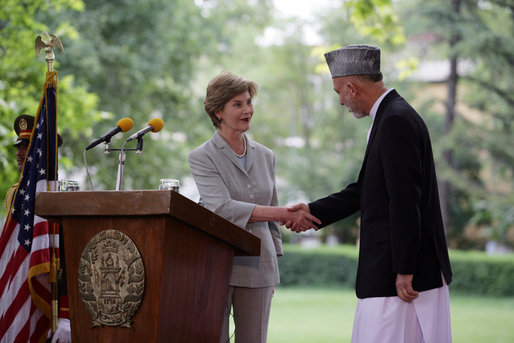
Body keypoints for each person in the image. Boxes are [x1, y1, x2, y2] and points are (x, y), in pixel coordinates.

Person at [287, 45, 453, 343]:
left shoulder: (395, 121)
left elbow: (405, 201)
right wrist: (312, 211)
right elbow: (367, 190)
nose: (340, 101)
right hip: (391, 271)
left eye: (339, 91)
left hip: (398, 278)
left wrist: (404, 269)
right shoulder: (391, 116)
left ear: (352, 87)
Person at [189, 72, 320, 343]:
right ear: (218, 112)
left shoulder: (267, 155)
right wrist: (283, 213)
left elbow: (270, 210)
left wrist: (273, 267)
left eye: (249, 102)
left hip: (259, 265)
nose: (248, 110)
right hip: (216, 264)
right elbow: (221, 207)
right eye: (237, 104)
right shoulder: (202, 157)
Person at [4, 114, 70, 343]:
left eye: (27, 146)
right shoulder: (16, 195)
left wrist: (66, 315)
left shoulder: (58, 197)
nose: (19, 152)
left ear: (42, 155)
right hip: (20, 301)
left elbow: (68, 256)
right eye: (19, 146)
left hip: (52, 307)